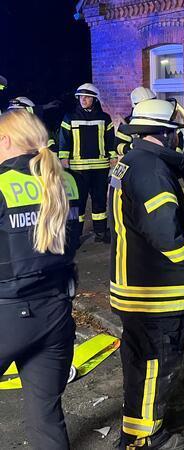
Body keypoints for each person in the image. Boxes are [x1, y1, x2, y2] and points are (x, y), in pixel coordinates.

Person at [110, 99, 184, 450]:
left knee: (140, 365)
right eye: (175, 133)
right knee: (157, 363)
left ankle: (135, 432)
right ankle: (146, 439)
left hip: (135, 284)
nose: (178, 139)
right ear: (165, 133)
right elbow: (165, 231)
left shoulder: (131, 161)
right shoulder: (152, 168)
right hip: (156, 291)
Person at [0, 110, 81, 449]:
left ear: (4, 141)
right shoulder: (66, 179)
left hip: (6, 314)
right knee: (46, 417)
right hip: (55, 313)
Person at [57, 83, 117, 243]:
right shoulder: (69, 117)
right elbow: (63, 140)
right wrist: (63, 158)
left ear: (95, 99)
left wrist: (112, 156)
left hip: (100, 167)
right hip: (78, 168)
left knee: (99, 202)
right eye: (81, 97)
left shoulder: (105, 118)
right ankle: (75, 236)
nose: (83, 99)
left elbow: (110, 139)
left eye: (87, 97)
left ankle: (101, 233)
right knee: (78, 203)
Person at [116, 87, 157, 156]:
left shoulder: (161, 118)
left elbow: (178, 139)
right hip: (138, 161)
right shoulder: (128, 123)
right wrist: (132, 147)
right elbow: (118, 146)